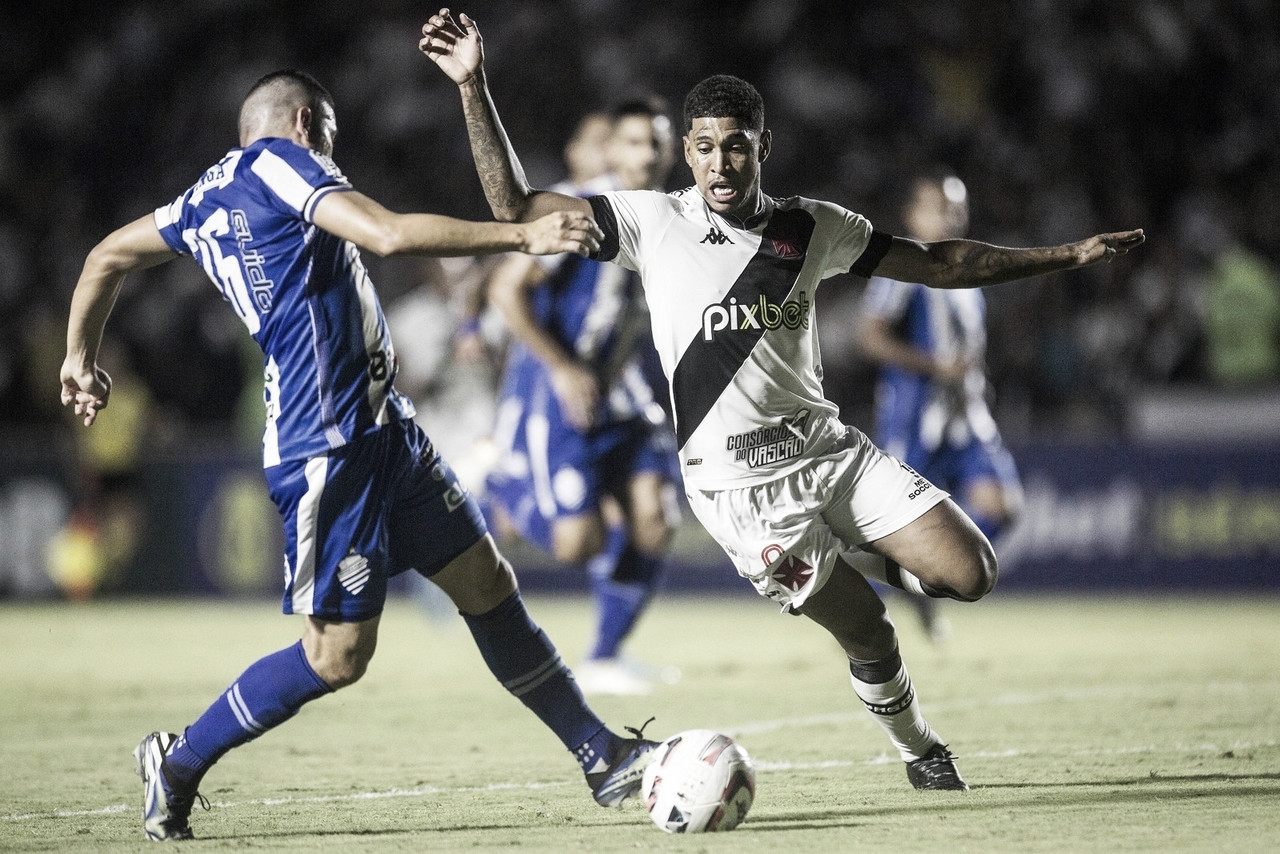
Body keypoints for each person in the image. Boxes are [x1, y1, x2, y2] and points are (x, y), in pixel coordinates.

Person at [420, 9, 1143, 792]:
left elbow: (940, 263)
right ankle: (919, 748)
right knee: (868, 628)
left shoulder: (813, 227)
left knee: (974, 573)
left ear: (761, 145)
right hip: (744, 497)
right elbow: (516, 209)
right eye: (703, 148)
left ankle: (861, 552)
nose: (720, 163)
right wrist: (473, 86)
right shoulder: (651, 222)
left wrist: (1066, 253)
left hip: (831, 455)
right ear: (687, 153)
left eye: (735, 145)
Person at [59, 69, 658, 842]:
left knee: (485, 582)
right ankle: (175, 762)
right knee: (338, 656)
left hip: (385, 432)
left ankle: (598, 753)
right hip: (326, 446)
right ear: (306, 122)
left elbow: (106, 255)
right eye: (330, 139)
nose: (333, 160)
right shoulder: (284, 160)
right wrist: (521, 234)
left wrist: (79, 355)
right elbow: (387, 234)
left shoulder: (201, 200)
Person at [482, 99, 682, 695]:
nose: (646, 155)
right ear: (612, 150)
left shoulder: (680, 217)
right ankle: (502, 487)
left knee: (656, 518)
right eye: (634, 143)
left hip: (624, 395)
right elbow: (504, 288)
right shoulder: (585, 212)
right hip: (565, 395)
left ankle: (602, 657)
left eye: (656, 144)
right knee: (578, 544)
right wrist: (565, 369)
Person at [854, 171, 1024, 642]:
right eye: (938, 206)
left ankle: (920, 581)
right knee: (889, 529)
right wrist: (934, 367)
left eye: (957, 206)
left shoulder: (969, 272)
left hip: (966, 418)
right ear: (913, 215)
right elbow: (869, 337)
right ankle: (855, 610)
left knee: (1002, 506)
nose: (951, 216)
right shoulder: (904, 267)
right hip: (914, 420)